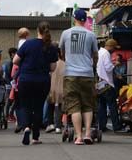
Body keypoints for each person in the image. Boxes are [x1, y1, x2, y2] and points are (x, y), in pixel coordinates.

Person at [13, 22, 59, 145]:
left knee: (25, 105)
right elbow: (53, 68)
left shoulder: (28, 44)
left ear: (37, 30)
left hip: (26, 79)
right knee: (38, 107)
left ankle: (26, 127)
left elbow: (15, 60)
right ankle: (35, 137)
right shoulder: (51, 47)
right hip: (42, 81)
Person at [59, 8, 98, 145]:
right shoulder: (91, 35)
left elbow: (61, 52)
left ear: (74, 19)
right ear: (85, 20)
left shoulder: (65, 33)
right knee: (87, 104)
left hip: (71, 74)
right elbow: (95, 55)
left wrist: (68, 60)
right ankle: (88, 133)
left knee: (74, 106)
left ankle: (79, 136)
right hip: (87, 74)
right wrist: (92, 66)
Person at [96, 39, 121, 132]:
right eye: (114, 48)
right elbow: (108, 68)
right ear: (110, 46)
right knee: (112, 105)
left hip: (100, 83)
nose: (114, 51)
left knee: (101, 105)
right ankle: (116, 126)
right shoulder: (106, 53)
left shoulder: (100, 52)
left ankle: (102, 126)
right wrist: (115, 64)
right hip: (107, 83)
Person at [49, 54, 66, 133]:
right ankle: (67, 125)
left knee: (57, 107)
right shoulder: (66, 64)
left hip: (54, 89)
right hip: (64, 89)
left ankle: (57, 126)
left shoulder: (53, 64)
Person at [3, 47, 17, 123]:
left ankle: (10, 114)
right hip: (10, 84)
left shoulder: (13, 62)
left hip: (12, 84)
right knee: (9, 101)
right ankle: (7, 115)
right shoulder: (10, 63)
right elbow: (8, 75)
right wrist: (11, 84)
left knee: (14, 100)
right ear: (12, 54)